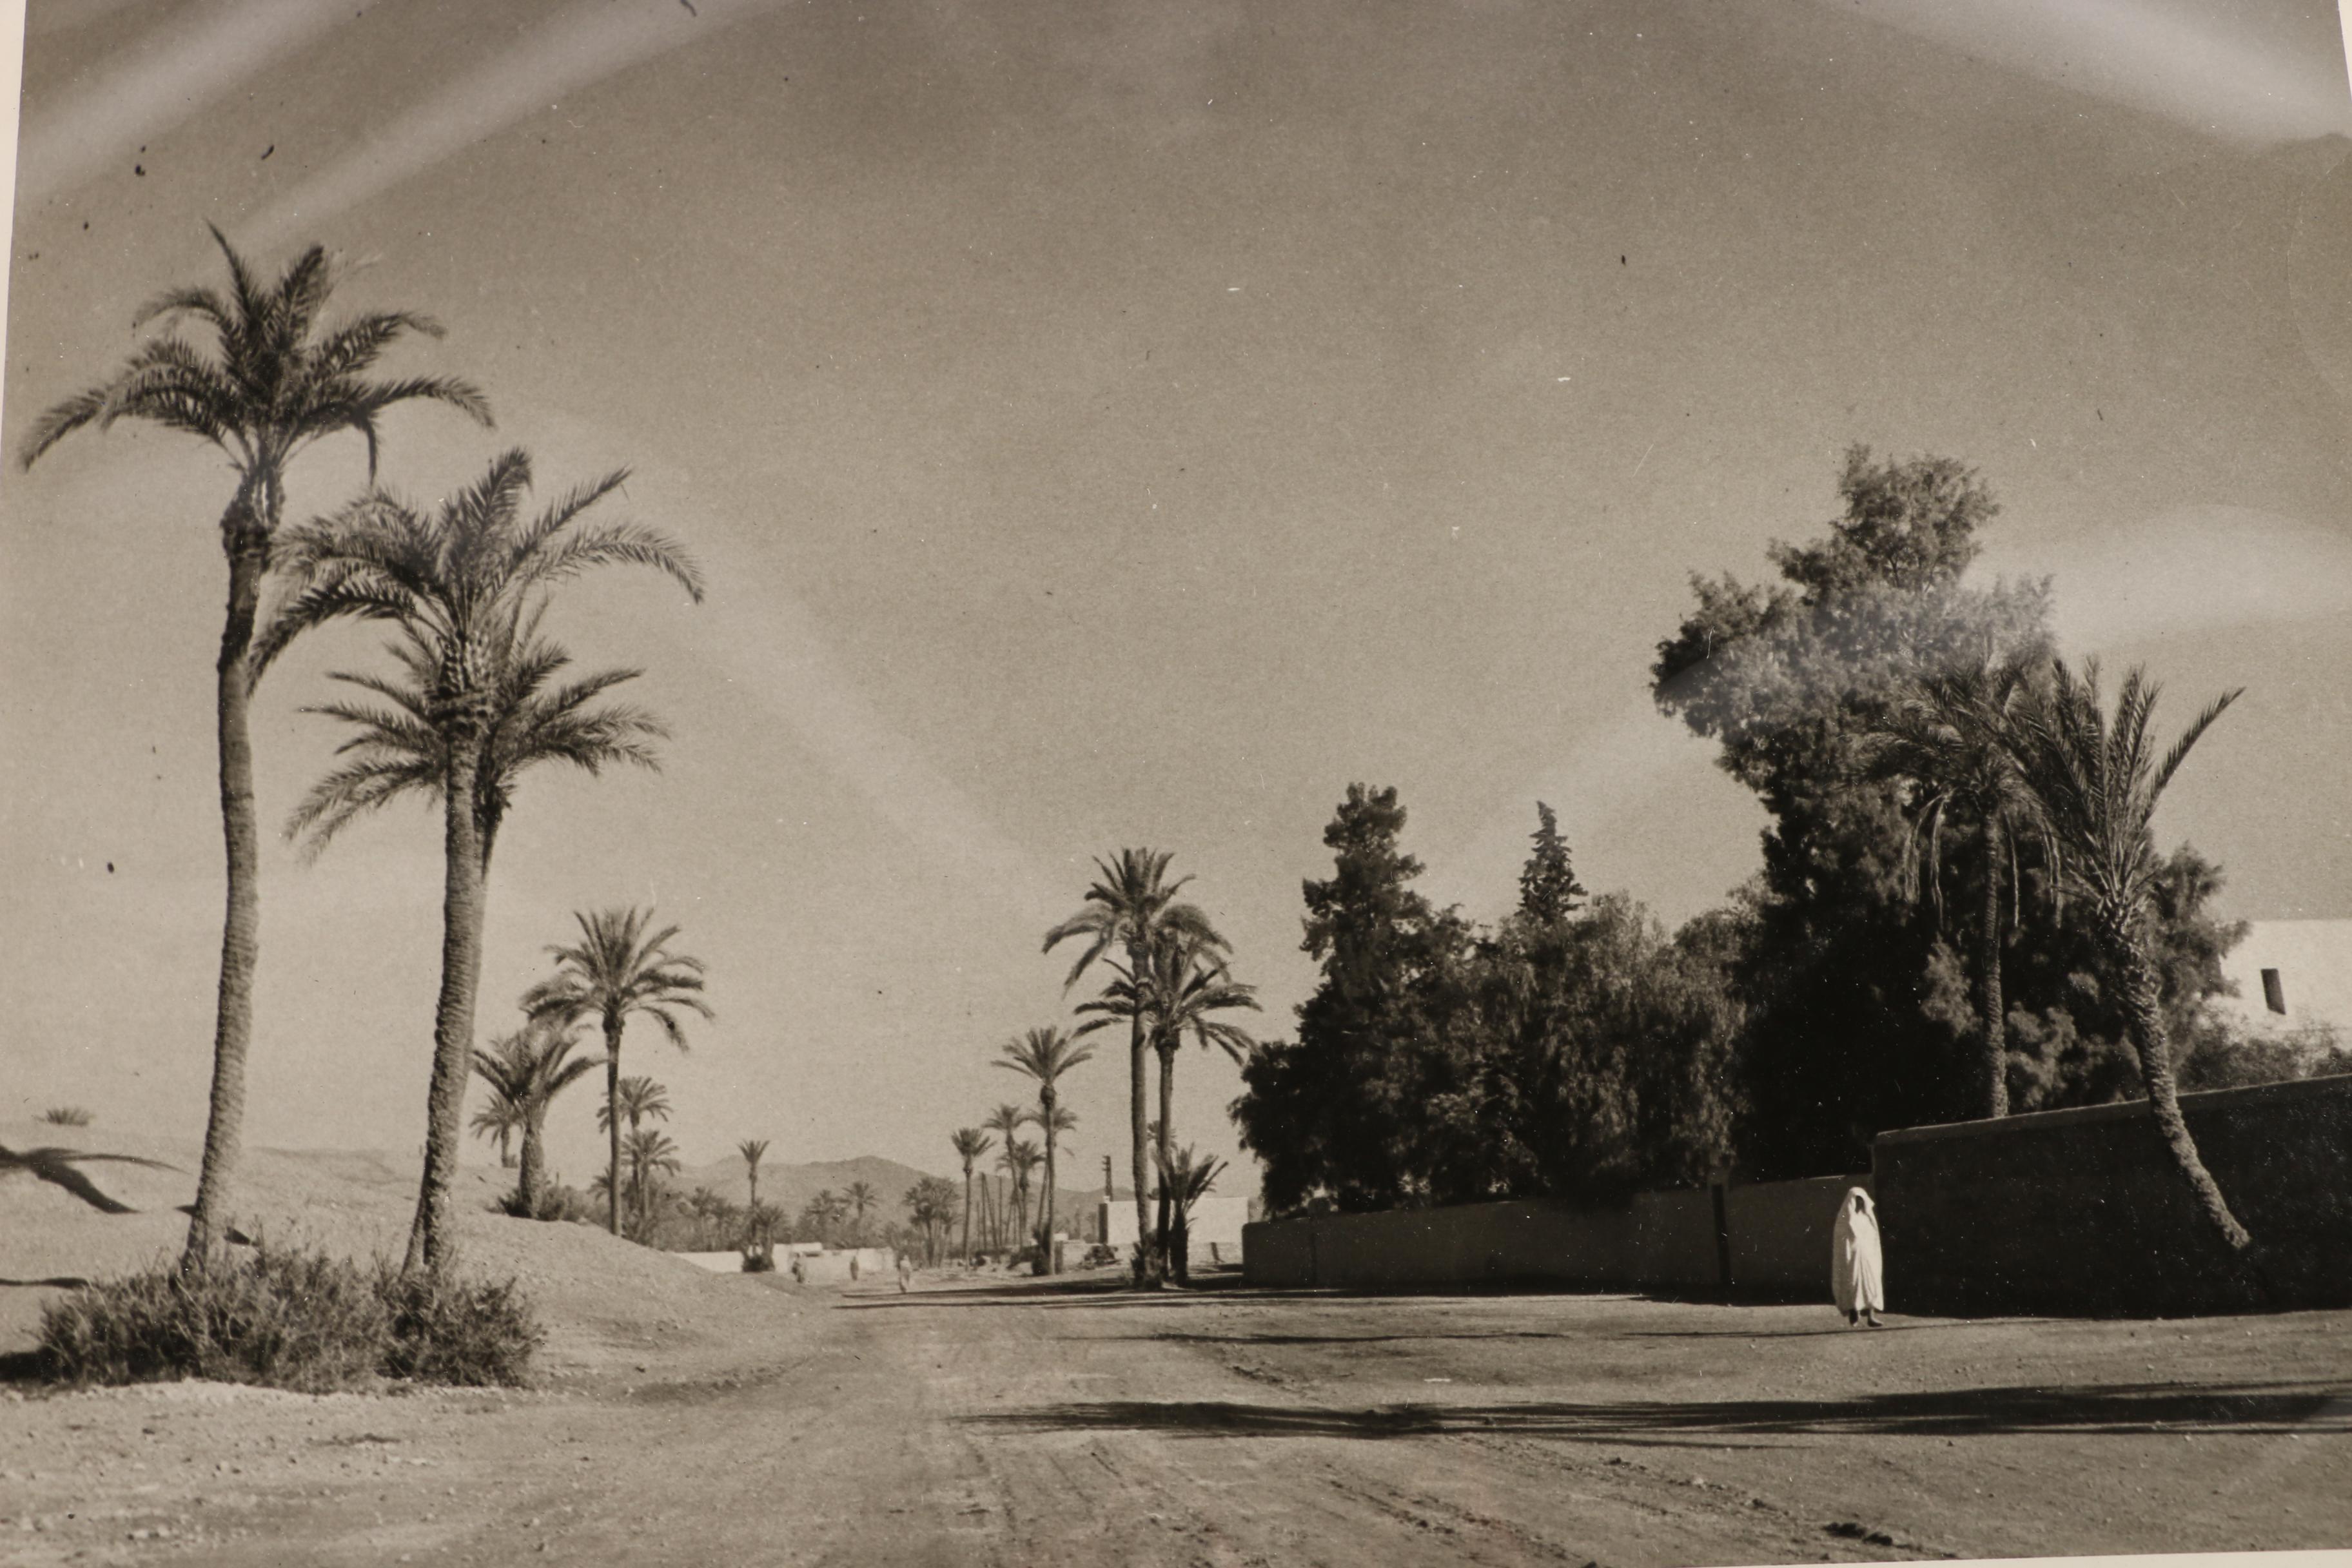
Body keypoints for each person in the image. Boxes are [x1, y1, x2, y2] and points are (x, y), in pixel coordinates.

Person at [1830, 1186, 1885, 1327]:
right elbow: (1841, 1239)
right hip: (1852, 1259)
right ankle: (1854, 1312)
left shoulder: (1868, 1217)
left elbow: (1873, 1238)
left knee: (1872, 1285)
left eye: (1862, 1200)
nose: (1860, 1203)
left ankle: (1871, 1316)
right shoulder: (1845, 1218)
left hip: (1868, 1258)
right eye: (1857, 1200)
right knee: (1854, 1284)